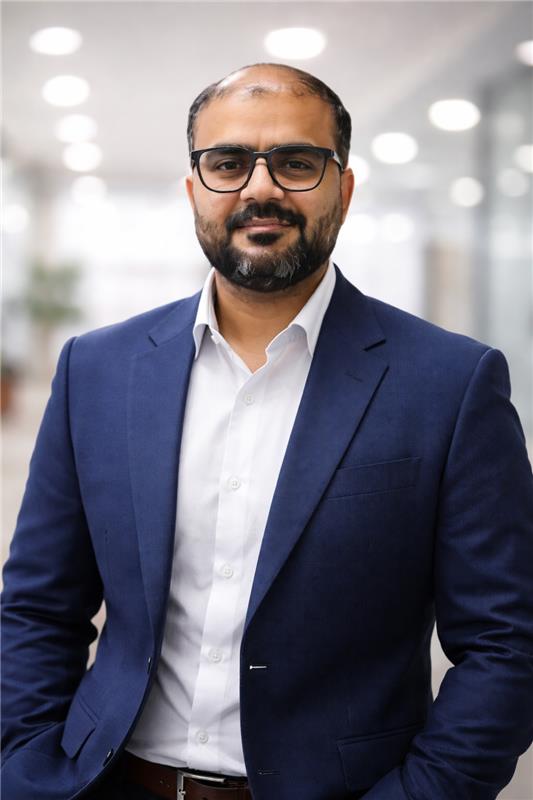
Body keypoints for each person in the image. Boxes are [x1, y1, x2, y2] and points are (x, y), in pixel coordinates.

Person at [2, 62, 533, 800]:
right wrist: (27, 766)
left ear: (343, 189)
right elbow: (37, 607)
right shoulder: (98, 369)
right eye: (227, 164)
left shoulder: (449, 383)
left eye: (296, 162)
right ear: (194, 190)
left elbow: (506, 645)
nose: (261, 188)